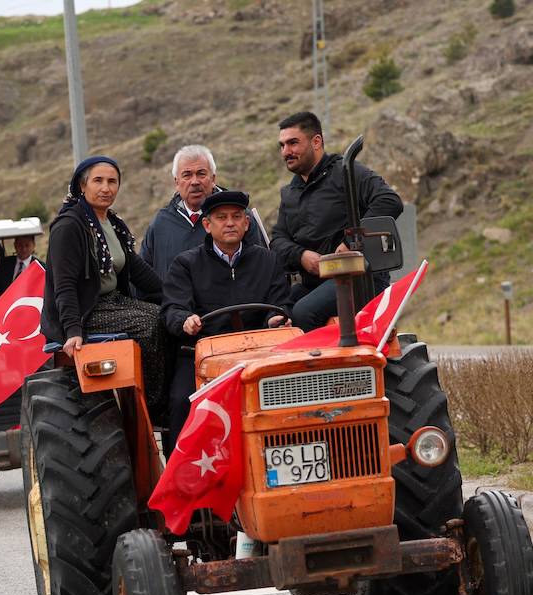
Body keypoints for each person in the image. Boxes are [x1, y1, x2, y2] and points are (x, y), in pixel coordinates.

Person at [161, 190, 292, 451]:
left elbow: (280, 304)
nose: (230, 223)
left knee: (292, 393)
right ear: (207, 225)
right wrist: (186, 320)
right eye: (221, 218)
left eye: (236, 216)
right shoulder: (186, 264)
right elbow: (173, 309)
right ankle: (183, 472)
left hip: (259, 352)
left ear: (247, 223)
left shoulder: (268, 260)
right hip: (203, 355)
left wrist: (275, 318)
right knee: (179, 401)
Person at [42, 155, 168, 411]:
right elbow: (63, 285)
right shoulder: (69, 226)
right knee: (149, 325)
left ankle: (168, 391)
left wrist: (174, 296)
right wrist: (72, 330)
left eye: (112, 181)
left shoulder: (111, 222)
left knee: (167, 316)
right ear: (82, 186)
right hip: (85, 311)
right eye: (98, 180)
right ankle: (154, 405)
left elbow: (135, 267)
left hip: (112, 303)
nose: (106, 188)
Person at [271, 111, 403, 331]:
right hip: (315, 283)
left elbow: (389, 200)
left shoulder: (346, 172)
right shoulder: (290, 193)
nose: (286, 151)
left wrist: (351, 241)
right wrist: (301, 256)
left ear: (316, 142)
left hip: (358, 278)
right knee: (274, 313)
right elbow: (278, 238)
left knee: (304, 313)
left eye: (293, 143)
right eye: (282, 145)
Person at [140, 145, 266, 284]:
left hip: (227, 304)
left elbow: (259, 270)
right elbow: (143, 277)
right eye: (187, 175)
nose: (195, 182)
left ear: (213, 179)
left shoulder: (238, 217)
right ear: (176, 182)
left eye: (201, 173)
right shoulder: (160, 223)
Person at [0, 234, 40, 298]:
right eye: (20, 245)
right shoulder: (5, 264)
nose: (24, 249)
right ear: (15, 245)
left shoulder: (39, 267)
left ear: (33, 246)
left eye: (27, 245)